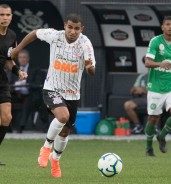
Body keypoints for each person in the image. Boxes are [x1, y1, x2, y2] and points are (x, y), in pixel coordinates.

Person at [11, 13, 96, 178]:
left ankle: (55, 161)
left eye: (76, 28)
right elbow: (34, 33)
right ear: (65, 25)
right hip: (52, 88)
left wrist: (89, 67)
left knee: (64, 132)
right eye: (70, 27)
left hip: (72, 94)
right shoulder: (55, 36)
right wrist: (17, 48)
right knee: (63, 116)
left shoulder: (85, 44)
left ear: (81, 29)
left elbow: (92, 71)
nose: (72, 31)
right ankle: (45, 147)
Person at [144, 16, 171, 156]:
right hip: (155, 86)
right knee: (153, 118)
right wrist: (160, 64)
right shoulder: (155, 41)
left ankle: (162, 136)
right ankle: (149, 146)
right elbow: (148, 62)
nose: (170, 27)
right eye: (167, 24)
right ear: (162, 27)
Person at [0, 4, 27, 166]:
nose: (4, 18)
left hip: (2, 82)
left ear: (11, 16)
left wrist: (19, 72)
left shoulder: (12, 35)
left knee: (6, 117)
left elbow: (9, 61)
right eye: (1, 15)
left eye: (7, 15)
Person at [9, 49, 42, 133]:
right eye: (20, 57)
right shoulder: (14, 69)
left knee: (28, 100)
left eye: (24, 57)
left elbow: (38, 85)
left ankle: (21, 126)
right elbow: (9, 83)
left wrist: (27, 84)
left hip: (30, 94)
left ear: (28, 59)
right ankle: (7, 126)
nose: (22, 59)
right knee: (6, 100)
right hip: (16, 94)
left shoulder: (35, 69)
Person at [124, 57, 148, 134]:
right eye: (146, 62)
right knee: (128, 105)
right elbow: (133, 89)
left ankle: (155, 127)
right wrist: (135, 90)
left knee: (157, 103)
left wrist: (143, 90)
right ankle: (138, 126)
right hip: (143, 99)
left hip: (155, 98)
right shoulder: (142, 76)